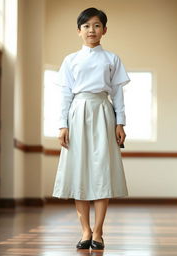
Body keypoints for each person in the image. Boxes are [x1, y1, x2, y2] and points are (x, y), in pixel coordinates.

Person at [52, 7, 130, 250]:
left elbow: (117, 93)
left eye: (96, 25)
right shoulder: (70, 60)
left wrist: (120, 122)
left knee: (102, 170)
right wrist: (62, 125)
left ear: (104, 30)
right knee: (79, 169)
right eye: (86, 26)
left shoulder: (112, 59)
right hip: (77, 112)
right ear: (79, 31)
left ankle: (98, 231)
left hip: (103, 113)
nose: (91, 30)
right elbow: (65, 94)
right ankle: (84, 230)